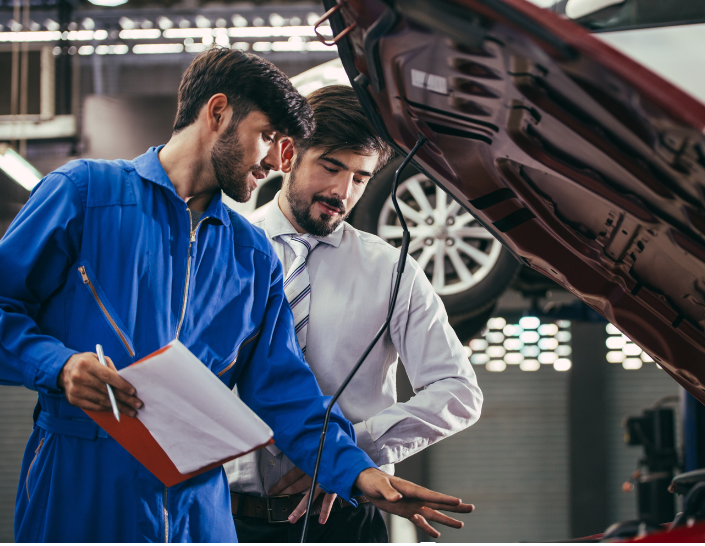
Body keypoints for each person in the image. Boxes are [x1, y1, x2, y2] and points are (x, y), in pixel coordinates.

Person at [0, 48, 472, 542]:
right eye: (268, 137)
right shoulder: (85, 194)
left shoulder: (251, 255)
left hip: (197, 510)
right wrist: (57, 366)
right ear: (218, 113)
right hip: (81, 486)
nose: (275, 160)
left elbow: (285, 392)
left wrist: (355, 470)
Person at [226, 85, 483, 542]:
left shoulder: (392, 270)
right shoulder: (224, 248)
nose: (342, 192)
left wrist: (345, 455)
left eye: (361, 178)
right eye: (331, 167)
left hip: (342, 521)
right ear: (288, 154)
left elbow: (458, 391)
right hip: (228, 519)